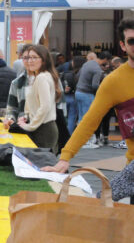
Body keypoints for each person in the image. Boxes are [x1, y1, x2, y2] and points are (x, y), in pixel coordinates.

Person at [43, 19, 134, 176]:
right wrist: (65, 157)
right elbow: (89, 121)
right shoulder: (113, 82)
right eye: (132, 41)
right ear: (123, 46)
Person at [6, 45, 60, 153]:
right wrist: (26, 118)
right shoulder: (43, 76)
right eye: (28, 57)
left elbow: (45, 106)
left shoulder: (42, 77)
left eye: (34, 57)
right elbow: (34, 106)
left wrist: (30, 126)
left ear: (44, 60)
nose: (30, 61)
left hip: (43, 129)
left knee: (41, 166)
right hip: (43, 128)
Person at [74, 51, 110, 148]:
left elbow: (77, 76)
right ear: (105, 60)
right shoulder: (97, 70)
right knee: (88, 119)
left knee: (81, 118)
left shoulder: (87, 64)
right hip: (87, 94)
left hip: (78, 92)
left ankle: (79, 140)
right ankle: (86, 142)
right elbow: (95, 85)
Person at [62, 56, 86, 134]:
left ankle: (63, 135)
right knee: (72, 118)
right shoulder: (81, 75)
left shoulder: (66, 74)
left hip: (65, 97)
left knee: (63, 117)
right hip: (75, 97)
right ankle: (69, 136)